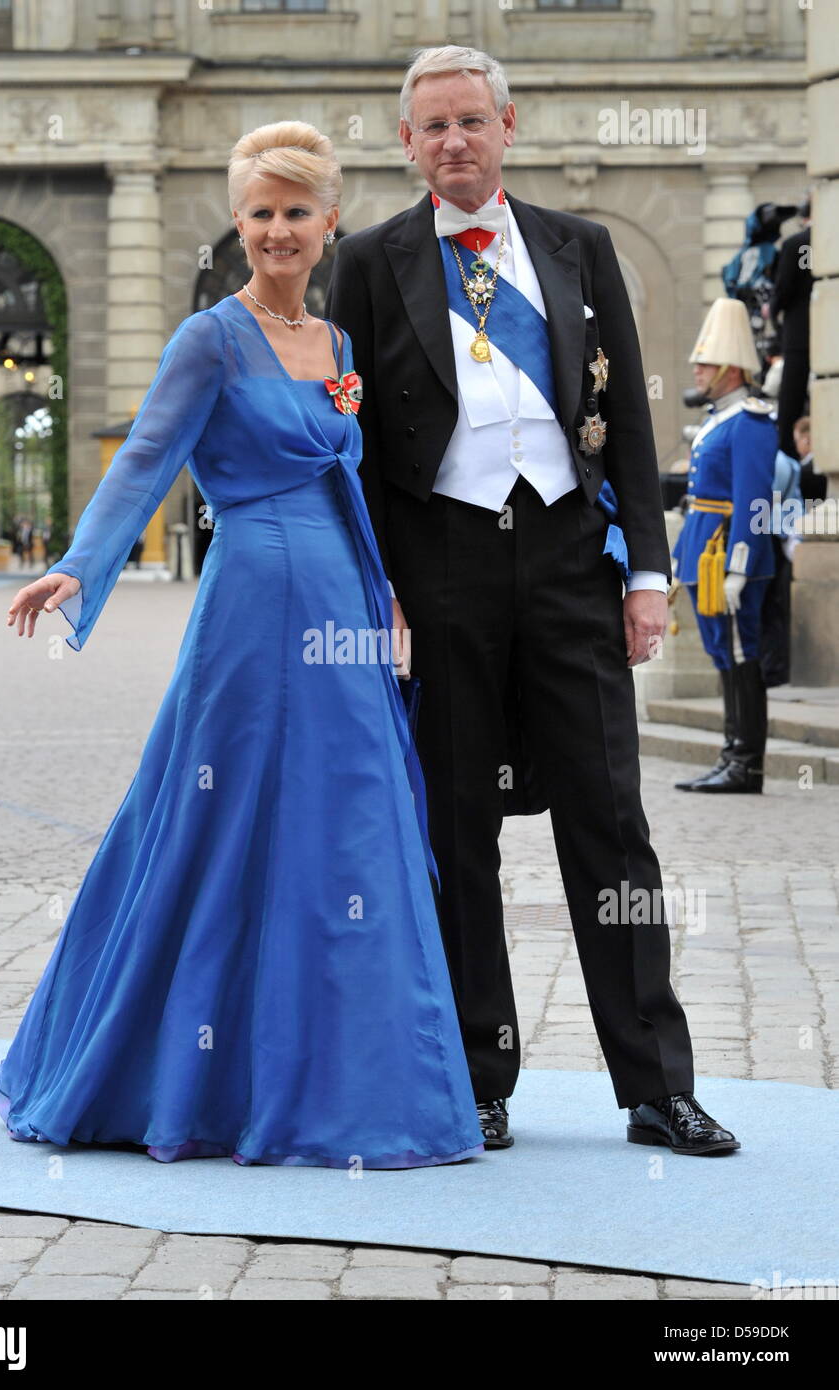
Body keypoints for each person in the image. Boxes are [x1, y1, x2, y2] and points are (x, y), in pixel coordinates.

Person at [0, 120, 486, 1171]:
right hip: (254, 609)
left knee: (349, 824)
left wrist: (388, 589)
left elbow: (351, 481)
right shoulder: (208, 339)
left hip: (345, 609)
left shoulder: (340, 346)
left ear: (328, 221)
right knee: (219, 821)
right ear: (238, 220)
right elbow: (144, 462)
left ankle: (355, 1084)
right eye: (258, 212)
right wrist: (80, 565)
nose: (275, 231)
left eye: (294, 212)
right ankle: (179, 1071)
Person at [325, 45, 739, 1156]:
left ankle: (657, 1083)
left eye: (472, 120)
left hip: (568, 561)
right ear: (406, 144)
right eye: (433, 127)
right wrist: (378, 595)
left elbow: (638, 429)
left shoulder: (580, 247)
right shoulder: (365, 261)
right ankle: (476, 1073)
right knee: (456, 830)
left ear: (508, 125)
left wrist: (648, 575)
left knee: (611, 827)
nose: (454, 140)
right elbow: (352, 445)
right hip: (443, 567)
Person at [672, 297, 778, 794]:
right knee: (722, 655)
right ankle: (730, 753)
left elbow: (753, 500)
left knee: (740, 654)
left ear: (731, 370)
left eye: (706, 363)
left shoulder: (752, 422)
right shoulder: (718, 420)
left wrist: (739, 566)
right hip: (703, 554)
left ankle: (746, 762)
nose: (696, 369)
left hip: (729, 559)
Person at [768, 198, 813, 460]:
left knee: (791, 403)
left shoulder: (795, 244)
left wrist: (772, 312)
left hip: (799, 338)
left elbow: (782, 292)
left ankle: (786, 456)